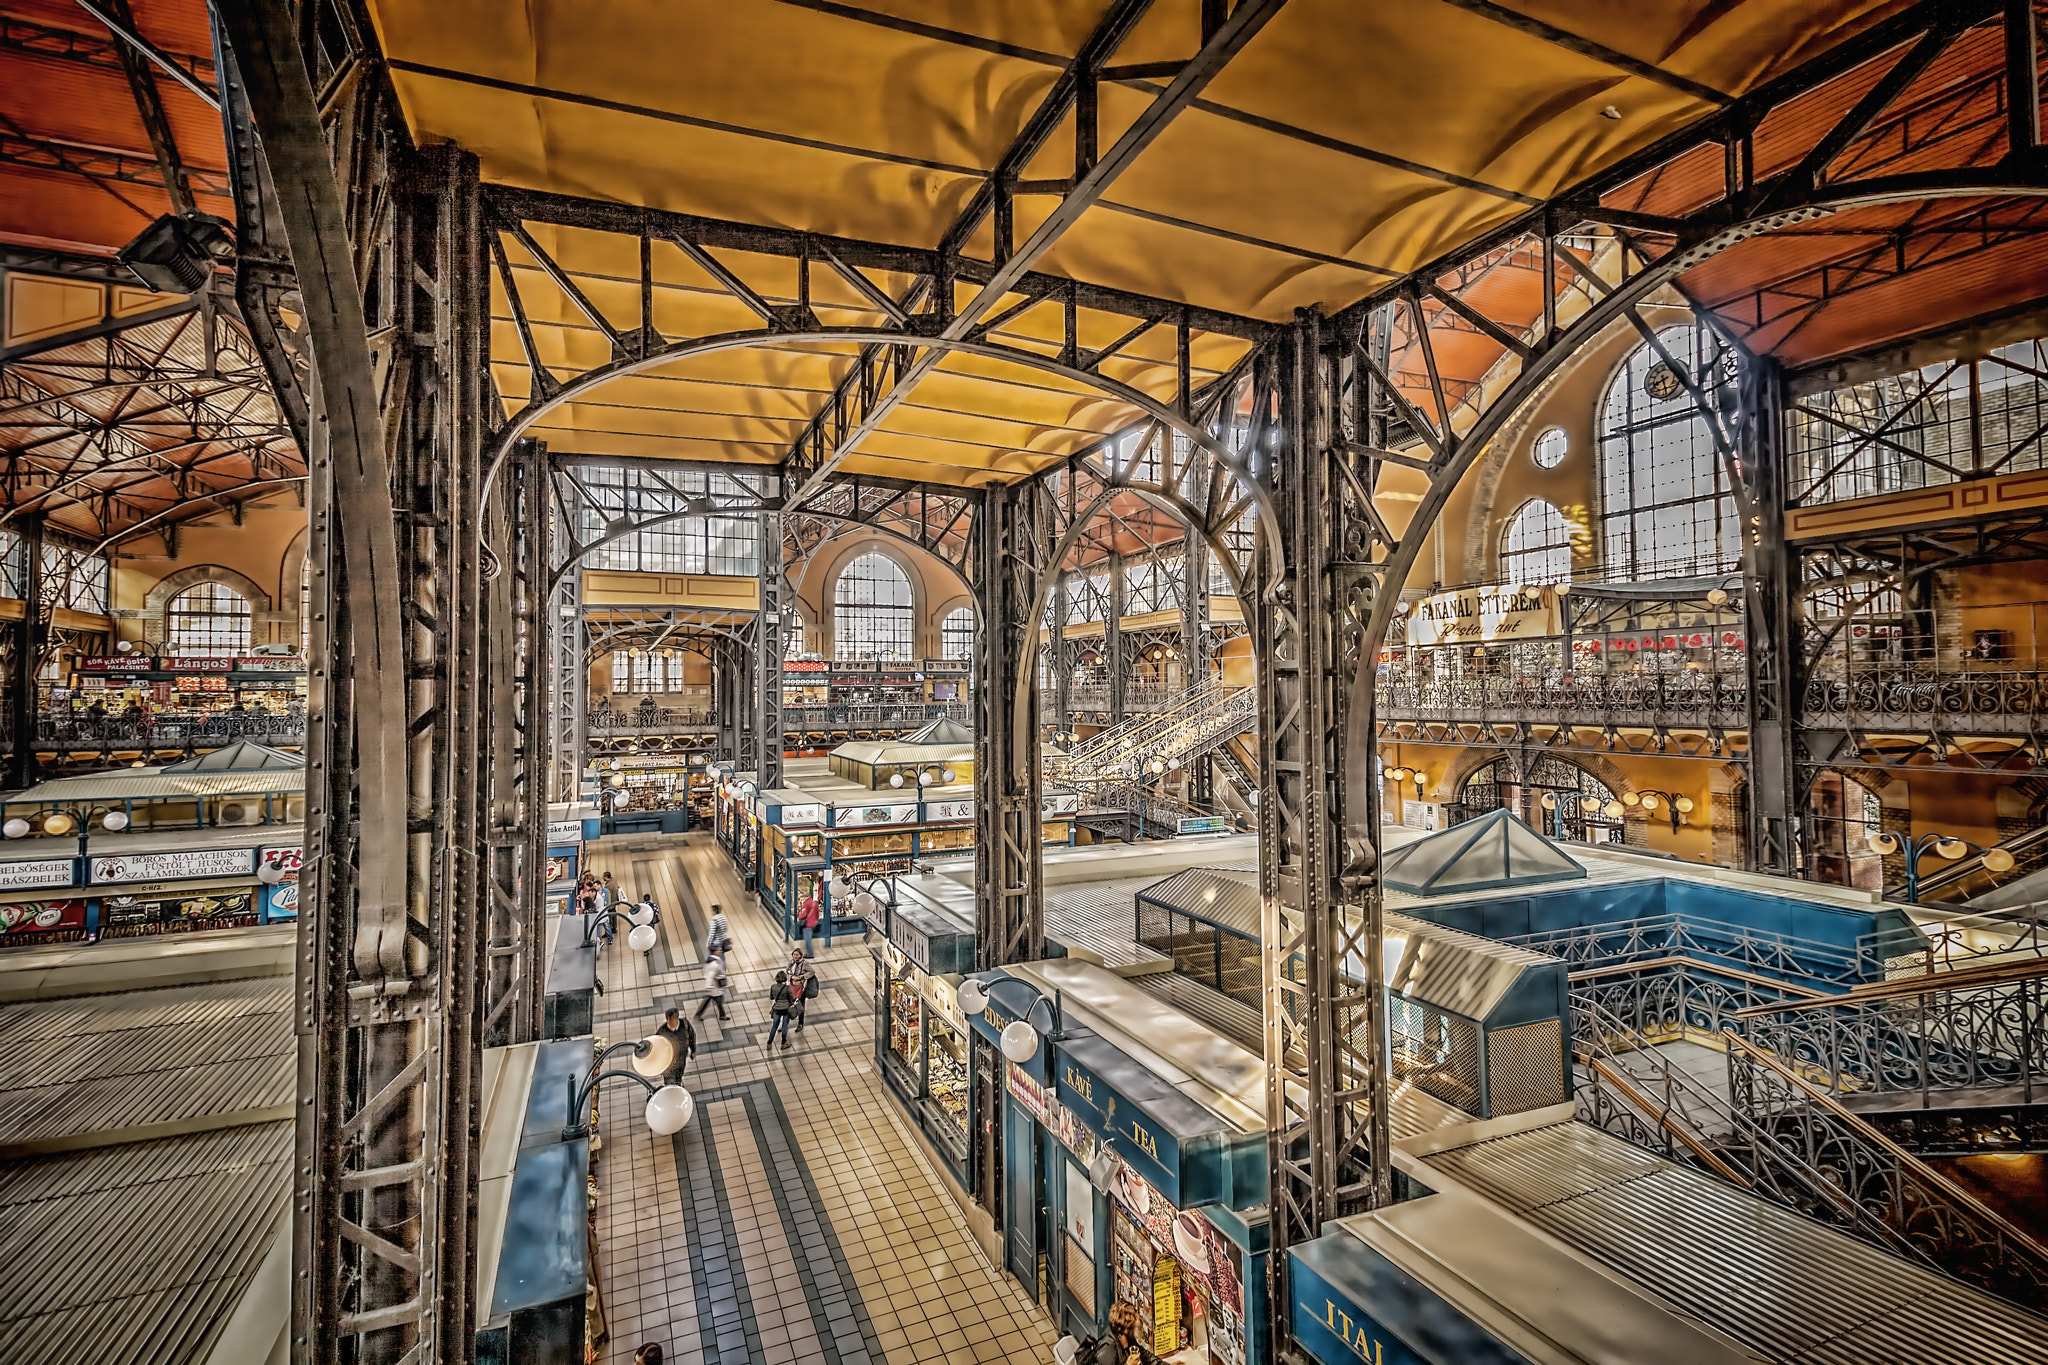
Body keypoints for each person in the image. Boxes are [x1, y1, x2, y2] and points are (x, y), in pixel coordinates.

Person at [653, 1007, 695, 1084]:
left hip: (681, 1059)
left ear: (676, 1019)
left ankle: (678, 1083)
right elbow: (656, 1045)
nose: (668, 1022)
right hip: (669, 1062)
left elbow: (692, 1036)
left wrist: (693, 1050)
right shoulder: (662, 1031)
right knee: (668, 1078)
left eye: (671, 1019)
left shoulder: (685, 1025)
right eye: (667, 1019)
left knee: (679, 1074)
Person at [786, 948, 815, 1036]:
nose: (795, 956)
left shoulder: (804, 963)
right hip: (791, 987)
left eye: (797, 955)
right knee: (789, 1005)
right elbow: (787, 972)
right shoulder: (791, 963)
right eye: (794, 955)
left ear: (800, 955)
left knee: (800, 1006)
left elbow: (812, 972)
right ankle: (785, 1024)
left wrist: (802, 976)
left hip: (801, 988)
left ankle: (800, 1023)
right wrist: (791, 977)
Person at [694, 948, 728, 1021]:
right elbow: (710, 976)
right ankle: (722, 1016)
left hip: (714, 987)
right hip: (714, 987)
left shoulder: (712, 960)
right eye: (718, 950)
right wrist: (708, 986)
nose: (720, 951)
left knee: (711, 1000)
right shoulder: (714, 964)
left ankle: (699, 1013)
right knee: (718, 1000)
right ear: (714, 951)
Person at [766, 970, 795, 1051]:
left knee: (774, 1026)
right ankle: (783, 1043)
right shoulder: (787, 988)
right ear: (785, 979)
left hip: (776, 1009)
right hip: (786, 1009)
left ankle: (769, 1043)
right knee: (785, 1026)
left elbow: (771, 997)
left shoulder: (773, 987)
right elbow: (792, 998)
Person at [797, 885, 822, 958]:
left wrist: (799, 916)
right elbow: (818, 913)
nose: (802, 899)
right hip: (814, 923)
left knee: (807, 940)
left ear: (805, 897)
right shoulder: (814, 903)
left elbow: (803, 914)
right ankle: (809, 952)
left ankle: (810, 954)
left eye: (803, 897)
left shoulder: (806, 904)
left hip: (807, 924)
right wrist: (815, 920)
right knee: (809, 939)